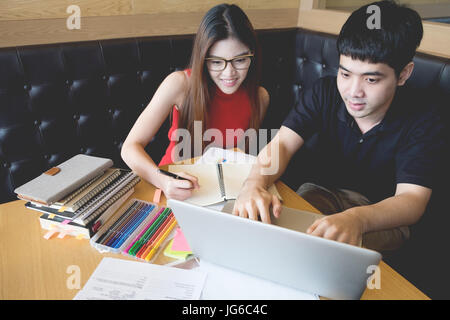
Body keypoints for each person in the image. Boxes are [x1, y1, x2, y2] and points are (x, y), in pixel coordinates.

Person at [232, 0, 445, 252]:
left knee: (330, 253)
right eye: (345, 74)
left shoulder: (424, 118)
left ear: (403, 74)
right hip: (323, 193)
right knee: (278, 235)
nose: (354, 92)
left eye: (371, 79)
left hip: (382, 215)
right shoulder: (324, 92)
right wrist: (254, 183)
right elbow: (283, 145)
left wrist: (357, 218)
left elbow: (412, 200)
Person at [121, 4, 269, 201]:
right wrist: (165, 181)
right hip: (171, 186)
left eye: (240, 60)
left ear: (252, 55)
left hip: (220, 195)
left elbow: (241, 158)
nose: (229, 73)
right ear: (203, 59)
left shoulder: (260, 98)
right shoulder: (180, 84)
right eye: (216, 62)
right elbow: (130, 148)